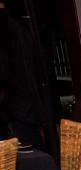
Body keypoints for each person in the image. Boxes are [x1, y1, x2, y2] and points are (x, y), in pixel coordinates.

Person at [0, 0, 47, 149]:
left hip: (12, 113)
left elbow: (2, 71)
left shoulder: (3, 28)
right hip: (29, 109)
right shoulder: (20, 27)